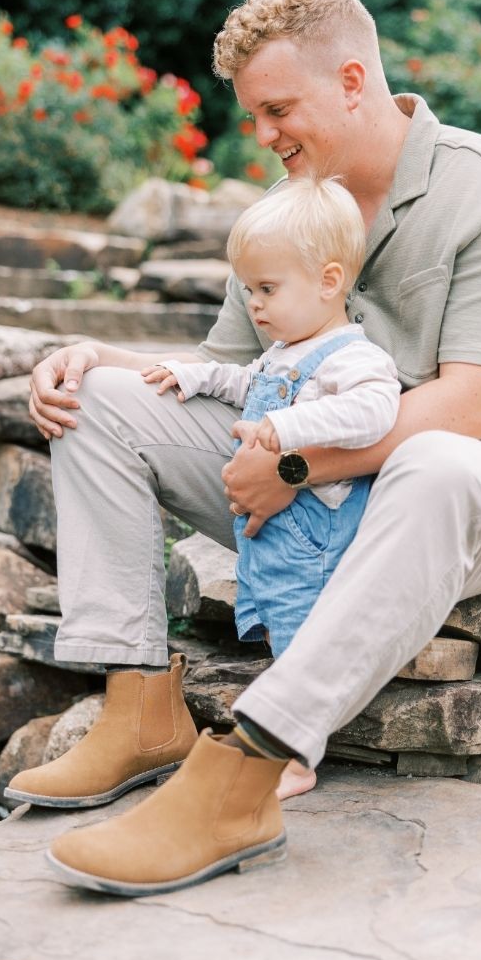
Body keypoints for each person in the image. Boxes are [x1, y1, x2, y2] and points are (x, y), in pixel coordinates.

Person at [10, 0, 481, 896]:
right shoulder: (286, 213)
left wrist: (300, 467)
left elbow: (471, 410)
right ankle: (139, 706)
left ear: (353, 80)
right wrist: (91, 358)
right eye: (254, 117)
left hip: (474, 492)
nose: (263, 137)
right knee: (99, 401)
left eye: (277, 110)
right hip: (313, 500)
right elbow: (224, 377)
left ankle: (247, 771)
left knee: (435, 461)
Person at [141, 174, 402, 801]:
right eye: (248, 290)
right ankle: (278, 739)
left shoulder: (351, 355)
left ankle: (295, 756)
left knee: (299, 636)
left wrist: (285, 428)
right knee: (277, 627)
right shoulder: (284, 350)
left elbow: (375, 413)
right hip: (274, 539)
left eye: (267, 288)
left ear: (329, 282)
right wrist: (192, 375)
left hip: (316, 536)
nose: (254, 305)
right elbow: (242, 384)